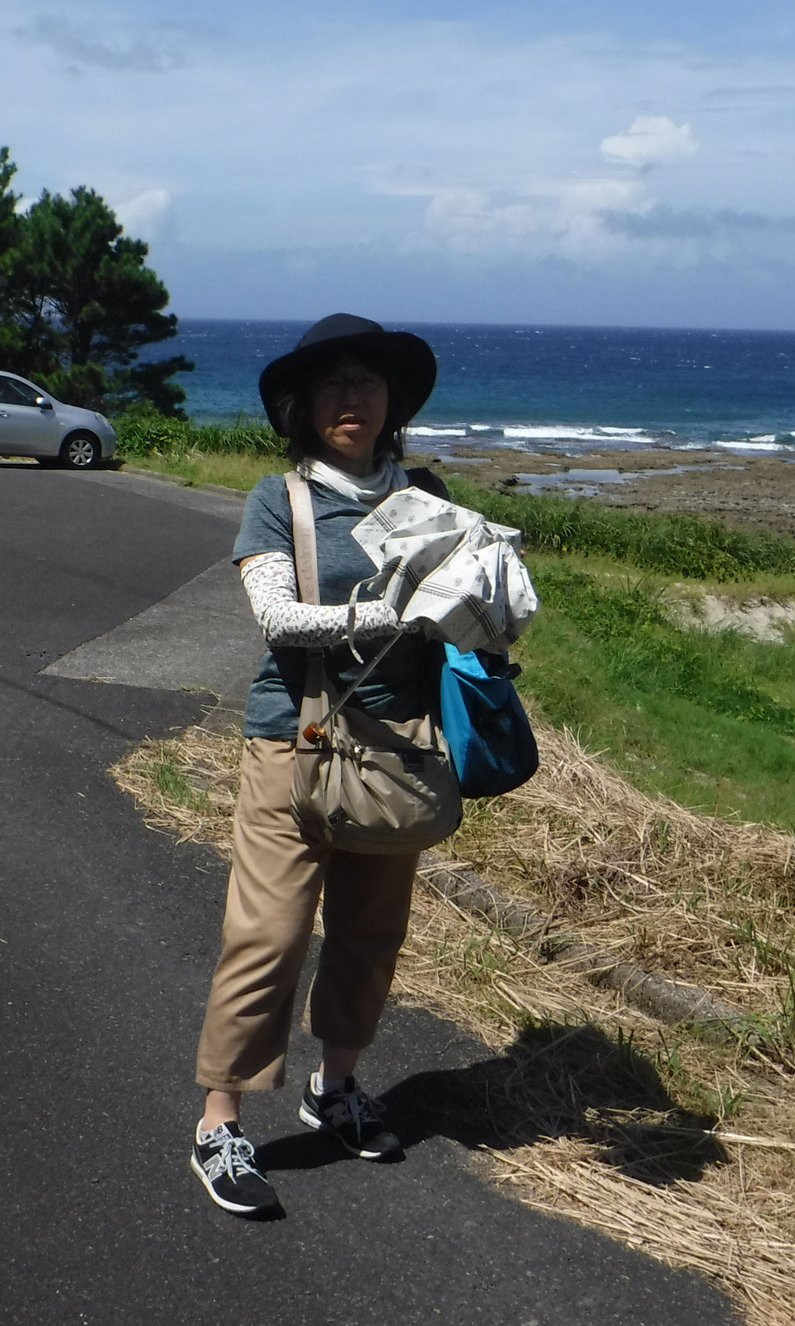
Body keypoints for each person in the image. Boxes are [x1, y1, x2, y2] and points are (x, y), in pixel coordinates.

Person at [190, 312, 448, 1217]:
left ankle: (335, 1085)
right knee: (267, 935)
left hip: (397, 748)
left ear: (392, 402)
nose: (353, 398)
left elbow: (456, 612)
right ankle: (220, 1121)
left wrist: (492, 596)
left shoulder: (426, 495)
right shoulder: (279, 499)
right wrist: (383, 615)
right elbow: (278, 619)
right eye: (334, 383)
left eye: (368, 383)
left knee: (372, 934)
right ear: (302, 406)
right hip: (292, 742)